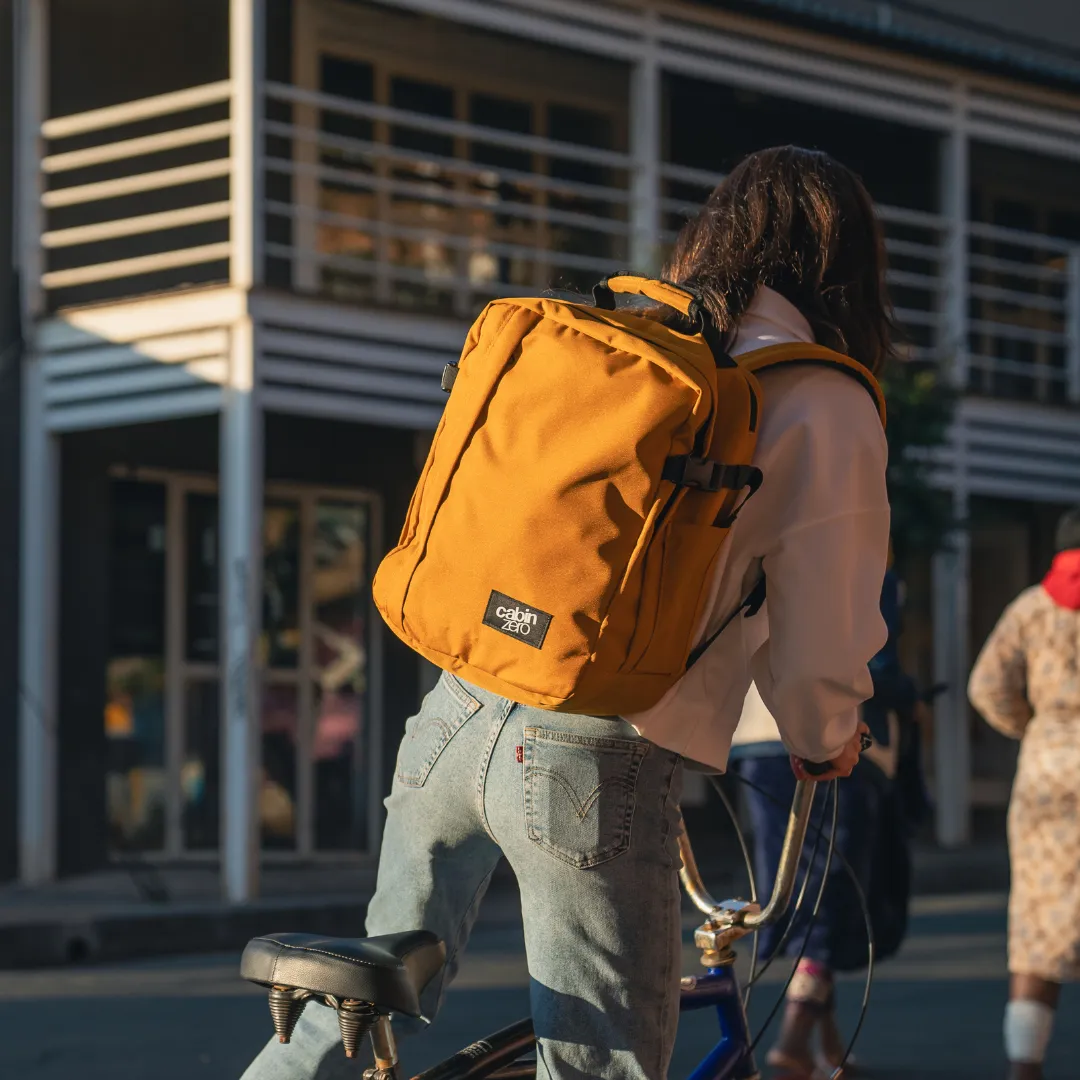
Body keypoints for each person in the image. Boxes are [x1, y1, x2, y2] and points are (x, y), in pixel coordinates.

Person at [240, 146, 892, 1080]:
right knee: (601, 1066)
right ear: (848, 268)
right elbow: (827, 624)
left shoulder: (617, 333)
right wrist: (824, 735)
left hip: (455, 706)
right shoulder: (824, 395)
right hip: (593, 750)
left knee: (355, 1016)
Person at [729, 566, 918, 1079]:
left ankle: (827, 1047)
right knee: (830, 887)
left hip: (757, 728)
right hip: (838, 734)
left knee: (794, 885)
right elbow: (873, 655)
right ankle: (792, 1039)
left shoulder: (757, 530)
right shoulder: (859, 536)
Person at [968, 506, 1080, 1080]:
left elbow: (986, 686)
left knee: (1039, 927)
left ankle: (1025, 1065)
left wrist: (1033, 726)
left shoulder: (1033, 608)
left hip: (1049, 774)